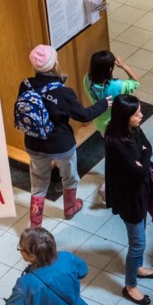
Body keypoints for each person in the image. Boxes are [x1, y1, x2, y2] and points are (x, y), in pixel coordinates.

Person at [21, 44, 109, 228]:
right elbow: (83, 115)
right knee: (69, 176)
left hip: (35, 144)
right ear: (55, 64)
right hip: (61, 145)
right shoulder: (63, 92)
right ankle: (70, 208)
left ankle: (35, 225)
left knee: (38, 184)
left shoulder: (25, 85)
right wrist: (103, 104)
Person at [103, 94, 153, 305]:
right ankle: (130, 285)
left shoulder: (133, 129)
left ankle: (137, 267)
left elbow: (149, 148)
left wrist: (142, 160)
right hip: (129, 198)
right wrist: (143, 159)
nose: (141, 115)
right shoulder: (115, 141)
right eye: (136, 113)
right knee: (138, 243)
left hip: (140, 192)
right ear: (124, 116)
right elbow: (138, 172)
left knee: (140, 233)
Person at [83, 49, 140, 137]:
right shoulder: (117, 85)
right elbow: (135, 82)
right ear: (110, 69)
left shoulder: (86, 79)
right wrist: (123, 65)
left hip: (100, 124)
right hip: (118, 125)